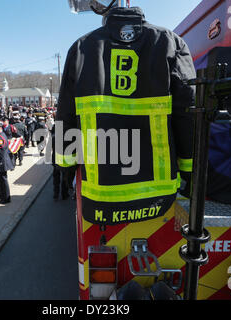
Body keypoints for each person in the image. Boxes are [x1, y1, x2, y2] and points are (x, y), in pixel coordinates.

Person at [55, 5, 195, 226]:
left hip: (101, 195)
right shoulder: (171, 42)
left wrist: (65, 167)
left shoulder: (81, 48)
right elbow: (187, 112)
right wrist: (189, 168)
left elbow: (65, 113)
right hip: (157, 196)